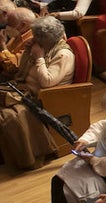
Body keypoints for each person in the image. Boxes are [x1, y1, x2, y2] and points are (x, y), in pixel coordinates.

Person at [0, 15, 75, 170]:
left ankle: (26, 158)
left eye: (36, 37)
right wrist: (28, 53)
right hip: (23, 90)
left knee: (8, 117)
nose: (33, 39)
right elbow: (20, 73)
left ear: (46, 40)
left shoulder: (63, 54)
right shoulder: (40, 46)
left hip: (44, 98)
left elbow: (47, 82)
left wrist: (39, 58)